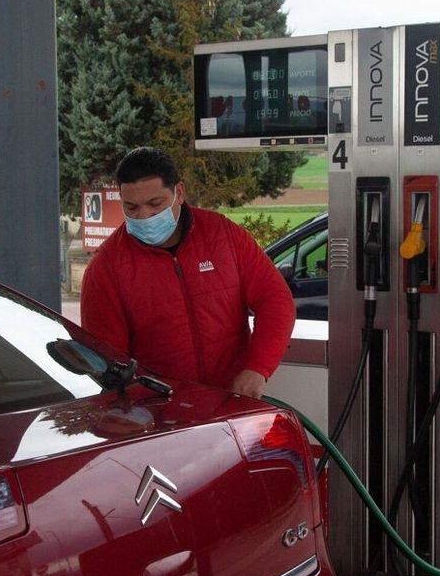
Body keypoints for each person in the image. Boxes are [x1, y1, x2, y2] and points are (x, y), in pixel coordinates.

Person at [80, 147, 295, 399]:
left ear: (179, 193)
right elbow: (108, 361)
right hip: (160, 416)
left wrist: (257, 368)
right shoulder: (107, 267)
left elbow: (276, 300)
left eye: (154, 204)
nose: (144, 216)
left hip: (233, 402)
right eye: (132, 208)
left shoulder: (223, 235)